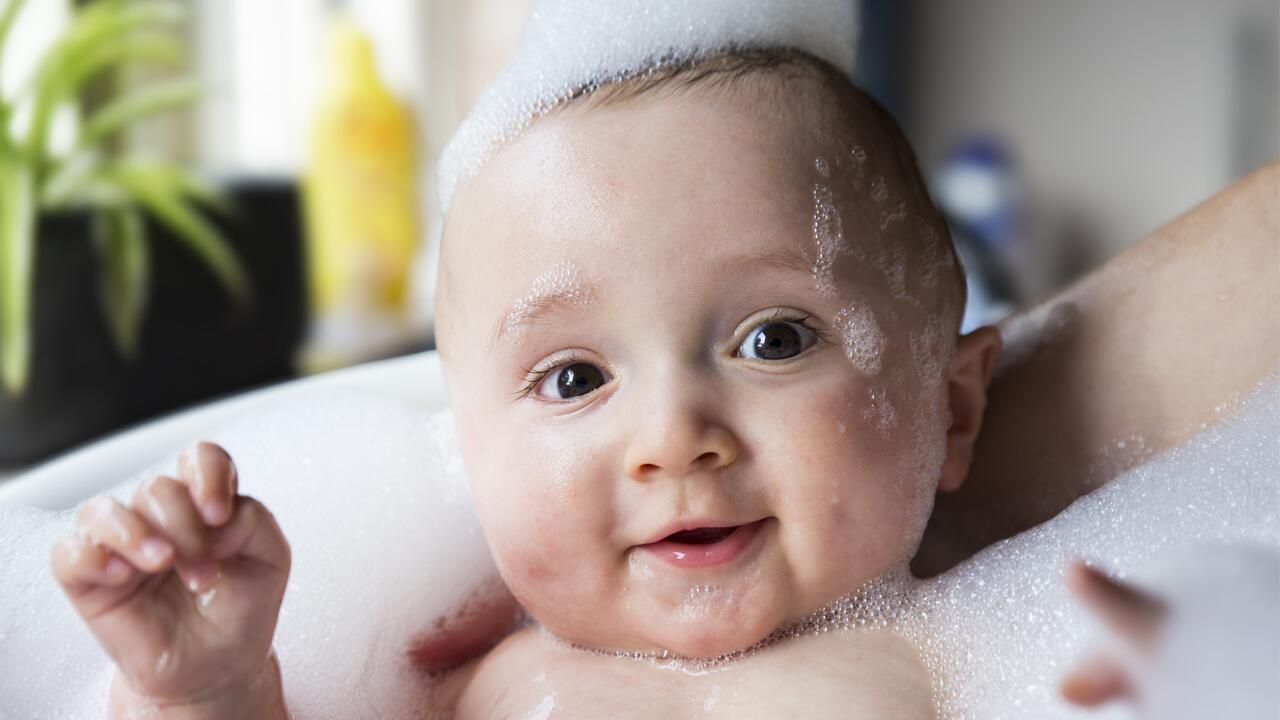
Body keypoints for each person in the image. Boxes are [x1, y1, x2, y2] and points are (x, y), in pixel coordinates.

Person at [49, 41, 1279, 719]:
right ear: (470, 456)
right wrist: (208, 689)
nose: (672, 436)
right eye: (574, 375)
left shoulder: (955, 661)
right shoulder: (464, 687)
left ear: (950, 410)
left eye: (773, 340)